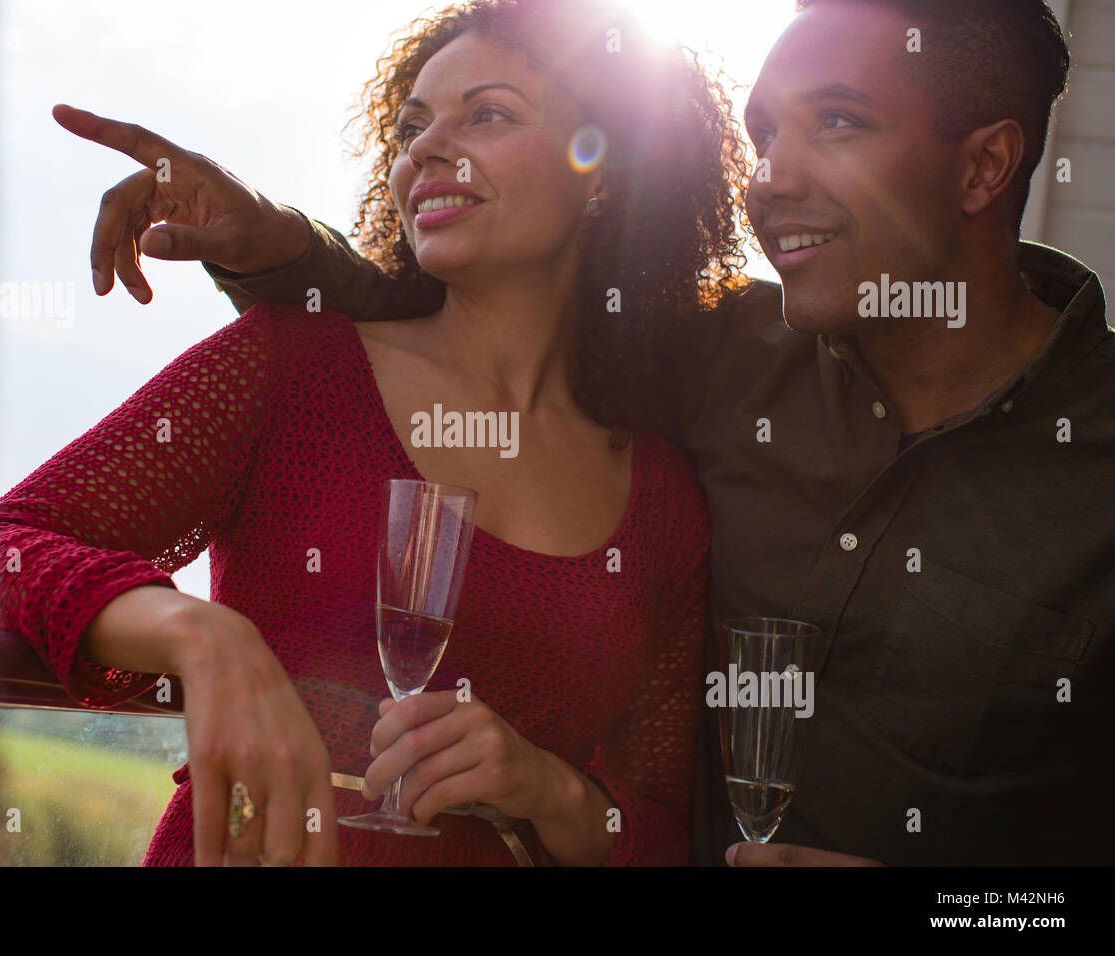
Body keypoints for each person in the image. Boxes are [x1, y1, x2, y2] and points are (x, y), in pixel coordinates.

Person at [90, 0, 1113, 865]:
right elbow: (484, 321)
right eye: (764, 135)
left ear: (984, 166)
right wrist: (275, 244)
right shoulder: (720, 352)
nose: (770, 179)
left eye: (837, 125)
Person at [0, 0, 751, 865]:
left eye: (487, 114)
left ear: (602, 171)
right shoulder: (291, 365)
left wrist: (548, 787)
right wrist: (195, 633)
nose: (425, 149)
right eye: (412, 127)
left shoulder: (664, 500)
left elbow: (663, 831)